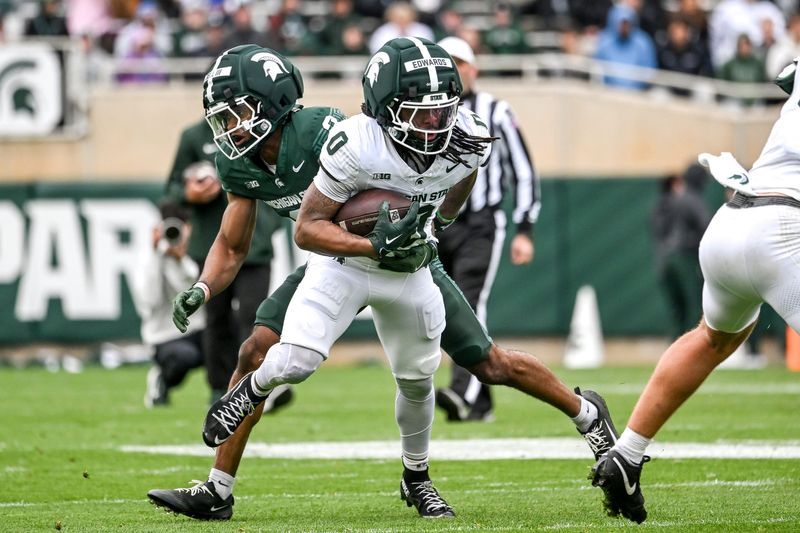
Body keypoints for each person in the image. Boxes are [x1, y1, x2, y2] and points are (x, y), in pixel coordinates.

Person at [148, 42, 619, 521]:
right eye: (222, 119)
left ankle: (583, 412)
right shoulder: (247, 159)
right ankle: (218, 488)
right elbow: (237, 244)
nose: (229, 130)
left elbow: (429, 176)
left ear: (271, 105)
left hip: (405, 259)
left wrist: (433, 225)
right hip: (335, 258)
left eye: (237, 115)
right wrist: (205, 287)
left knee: (488, 364)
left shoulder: (329, 133)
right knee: (257, 351)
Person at [588, 59, 800, 524]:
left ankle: (626, 454)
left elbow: (787, 74)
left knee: (712, 338)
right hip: (785, 226)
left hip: (733, 218)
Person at [433, 37, 540, 423]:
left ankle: (462, 393)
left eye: (462, 64)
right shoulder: (425, 111)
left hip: (481, 222)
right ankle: (480, 401)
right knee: (439, 308)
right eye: (449, 64)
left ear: (474, 69)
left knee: (469, 301)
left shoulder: (496, 110)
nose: (457, 71)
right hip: (437, 222)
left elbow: (523, 171)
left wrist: (524, 227)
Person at [164, 118, 284, 404]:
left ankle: (253, 386)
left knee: (255, 318)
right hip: (211, 244)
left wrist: (270, 223)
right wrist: (189, 194)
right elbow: (171, 190)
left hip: (256, 244)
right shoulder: (194, 136)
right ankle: (219, 387)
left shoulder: (271, 128)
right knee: (216, 319)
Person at [132, 199, 205, 407]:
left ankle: (222, 392)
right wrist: (157, 255)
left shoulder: (197, 249)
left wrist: (180, 259)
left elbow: (195, 289)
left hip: (200, 329)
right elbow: (149, 301)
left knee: (230, 340)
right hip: (165, 336)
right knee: (184, 356)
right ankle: (161, 379)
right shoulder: (147, 257)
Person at [650, 164, 710, 340]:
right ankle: (690, 355)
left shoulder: (666, 202)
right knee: (694, 308)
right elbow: (706, 228)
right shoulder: (693, 200)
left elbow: (657, 228)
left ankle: (673, 354)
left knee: (677, 311)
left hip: (665, 259)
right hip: (685, 258)